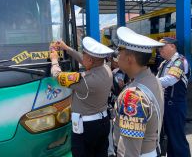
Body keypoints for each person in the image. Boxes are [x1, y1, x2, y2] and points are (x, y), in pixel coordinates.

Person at [50, 37, 113, 157]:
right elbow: (86, 61)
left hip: (86, 128)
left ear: (90, 60)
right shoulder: (106, 68)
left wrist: (54, 60)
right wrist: (67, 48)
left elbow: (58, 76)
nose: (82, 58)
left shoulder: (85, 80)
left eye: (84, 55)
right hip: (103, 122)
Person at [113, 26, 165, 157]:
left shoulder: (133, 95)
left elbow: (129, 151)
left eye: (120, 52)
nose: (117, 56)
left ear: (130, 59)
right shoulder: (152, 79)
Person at [156, 37, 191, 157]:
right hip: (165, 104)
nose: (159, 50)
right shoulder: (164, 63)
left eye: (162, 46)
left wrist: (150, 81)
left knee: (177, 138)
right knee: (169, 138)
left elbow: (170, 80)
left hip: (175, 105)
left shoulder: (179, 61)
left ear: (172, 46)